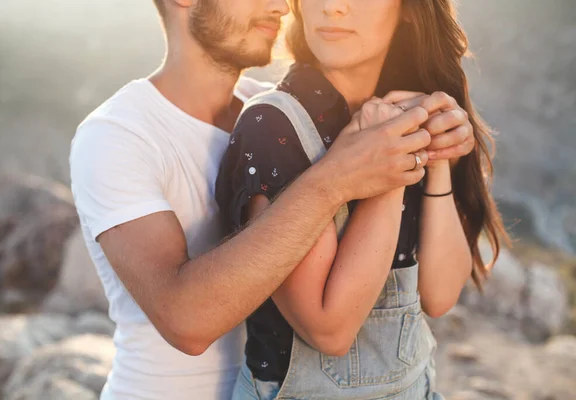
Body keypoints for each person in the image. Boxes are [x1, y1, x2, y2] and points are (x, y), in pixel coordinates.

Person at [68, 0, 440, 398]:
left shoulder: (275, 112)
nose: (281, 6)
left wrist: (425, 137)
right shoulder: (116, 136)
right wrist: (334, 180)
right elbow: (186, 321)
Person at [215, 0, 510, 399]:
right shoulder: (275, 127)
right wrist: (389, 165)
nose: (332, 8)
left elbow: (439, 296)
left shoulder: (407, 107)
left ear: (408, 9)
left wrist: (435, 159)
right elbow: (328, 330)